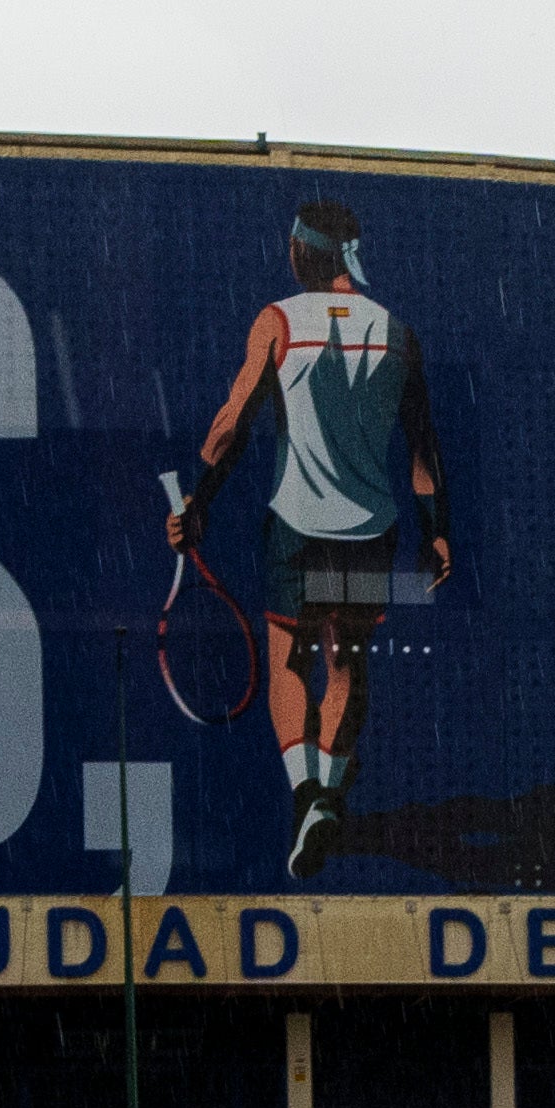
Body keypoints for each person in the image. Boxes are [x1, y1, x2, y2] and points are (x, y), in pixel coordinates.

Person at [165, 201, 452, 878]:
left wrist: (196, 503)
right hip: (370, 532)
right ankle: (332, 793)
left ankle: (306, 796)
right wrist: (437, 536)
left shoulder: (276, 322)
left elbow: (231, 426)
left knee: (288, 664)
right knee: (347, 662)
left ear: (302, 254)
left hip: (296, 531)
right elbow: (423, 454)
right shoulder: (398, 333)